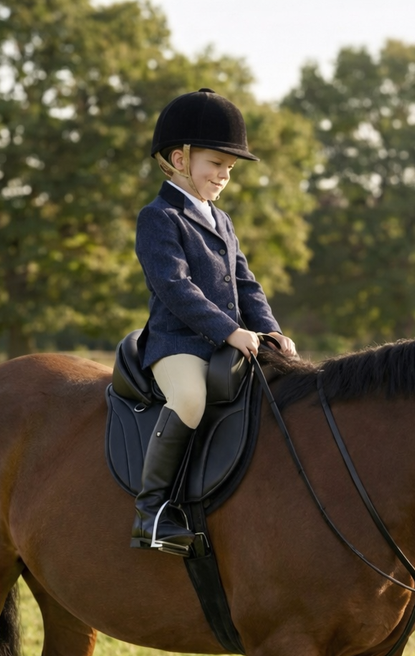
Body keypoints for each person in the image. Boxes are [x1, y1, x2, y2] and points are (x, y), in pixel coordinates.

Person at [130, 88, 297, 555]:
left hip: (231, 342)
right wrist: (230, 330)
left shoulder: (222, 221)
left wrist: (270, 329)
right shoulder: (159, 217)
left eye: (230, 168)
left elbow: (246, 282)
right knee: (190, 399)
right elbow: (175, 287)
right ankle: (151, 513)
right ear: (180, 160)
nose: (224, 175)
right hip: (178, 343)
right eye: (216, 163)